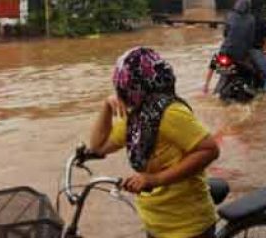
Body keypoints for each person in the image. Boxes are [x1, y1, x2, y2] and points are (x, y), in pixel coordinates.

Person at [90, 47, 220, 238]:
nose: (122, 93)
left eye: (124, 87)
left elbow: (209, 150)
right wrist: (107, 107)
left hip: (186, 226)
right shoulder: (136, 116)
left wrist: (155, 179)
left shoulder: (170, 113)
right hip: (154, 222)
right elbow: (97, 146)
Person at [203, 0, 254, 94]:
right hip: (240, 56)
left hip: (225, 52)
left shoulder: (229, 16)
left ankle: (206, 86)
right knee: (250, 73)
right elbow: (250, 39)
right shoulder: (251, 19)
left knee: (220, 70)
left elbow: (225, 33)